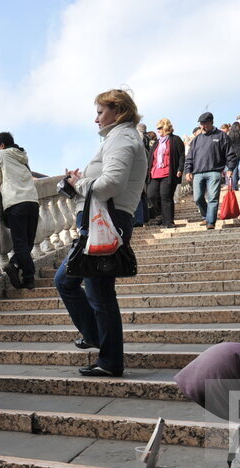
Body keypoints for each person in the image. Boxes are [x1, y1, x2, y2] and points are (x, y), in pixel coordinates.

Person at [57, 89, 147, 378]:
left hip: (106, 220)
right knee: (74, 283)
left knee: (96, 292)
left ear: (117, 111)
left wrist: (80, 181)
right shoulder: (119, 137)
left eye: (100, 112)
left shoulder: (121, 137)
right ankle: (100, 342)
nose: (96, 118)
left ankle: (109, 358)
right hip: (103, 219)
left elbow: (110, 183)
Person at [0, 131, 40, 290]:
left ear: (2, 145)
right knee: (28, 242)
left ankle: (29, 277)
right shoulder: (22, 156)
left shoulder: (1, 155)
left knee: (20, 243)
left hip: (15, 202)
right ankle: (13, 266)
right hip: (32, 201)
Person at [183, 112, 236, 231]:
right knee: (198, 198)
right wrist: (188, 170)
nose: (202, 126)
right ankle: (206, 215)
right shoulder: (196, 139)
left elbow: (230, 154)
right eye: (201, 124)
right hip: (198, 172)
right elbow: (190, 156)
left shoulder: (221, 136)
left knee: (213, 197)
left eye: (204, 124)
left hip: (214, 171)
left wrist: (230, 168)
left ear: (211, 122)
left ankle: (210, 222)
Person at [147, 118, 185, 228]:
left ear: (165, 127)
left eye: (159, 128)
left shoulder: (175, 139)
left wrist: (180, 168)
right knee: (152, 195)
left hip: (168, 173)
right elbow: (151, 157)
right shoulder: (157, 142)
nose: (157, 130)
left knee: (166, 196)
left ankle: (168, 221)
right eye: (157, 128)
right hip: (155, 172)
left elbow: (181, 155)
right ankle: (162, 215)